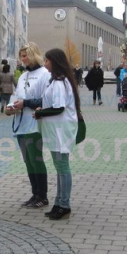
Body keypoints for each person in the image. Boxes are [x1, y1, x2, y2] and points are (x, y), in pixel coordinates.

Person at [32, 48, 81, 220]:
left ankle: (64, 204)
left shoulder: (60, 82)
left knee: (62, 167)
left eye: (47, 60)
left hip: (61, 130)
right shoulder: (56, 81)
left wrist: (40, 113)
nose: (44, 64)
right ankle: (59, 202)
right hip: (56, 130)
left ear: (55, 62)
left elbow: (59, 107)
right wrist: (42, 110)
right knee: (60, 168)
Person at [6, 42, 52, 208]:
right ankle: (35, 194)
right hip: (20, 124)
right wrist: (10, 107)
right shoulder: (23, 76)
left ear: (34, 55)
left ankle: (42, 195)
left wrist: (24, 104)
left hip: (34, 123)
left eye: (25, 55)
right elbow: (17, 96)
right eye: (21, 56)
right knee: (28, 161)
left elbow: (46, 100)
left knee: (36, 159)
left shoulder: (44, 75)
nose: (22, 59)